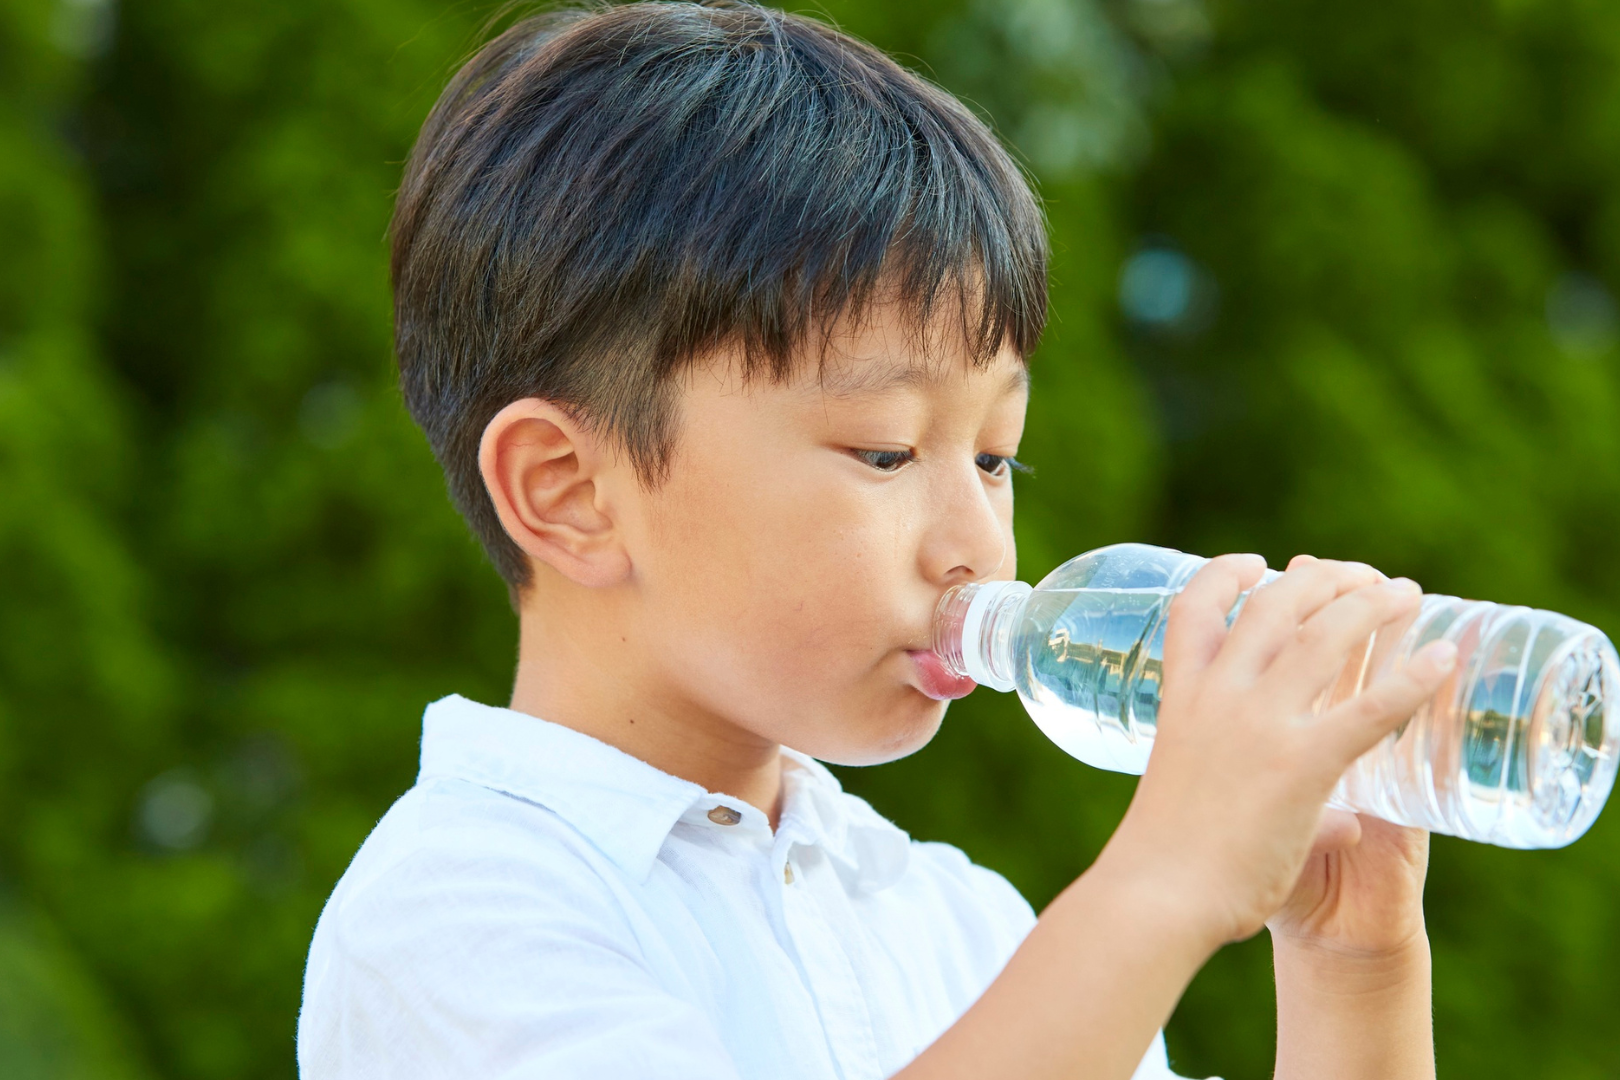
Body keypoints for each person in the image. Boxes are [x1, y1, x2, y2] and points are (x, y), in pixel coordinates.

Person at [297, 3, 1458, 1077]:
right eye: (889, 453)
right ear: (571, 493)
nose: (978, 547)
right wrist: (1162, 884)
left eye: (996, 457)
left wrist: (1354, 965)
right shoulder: (459, 911)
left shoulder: (962, 926)